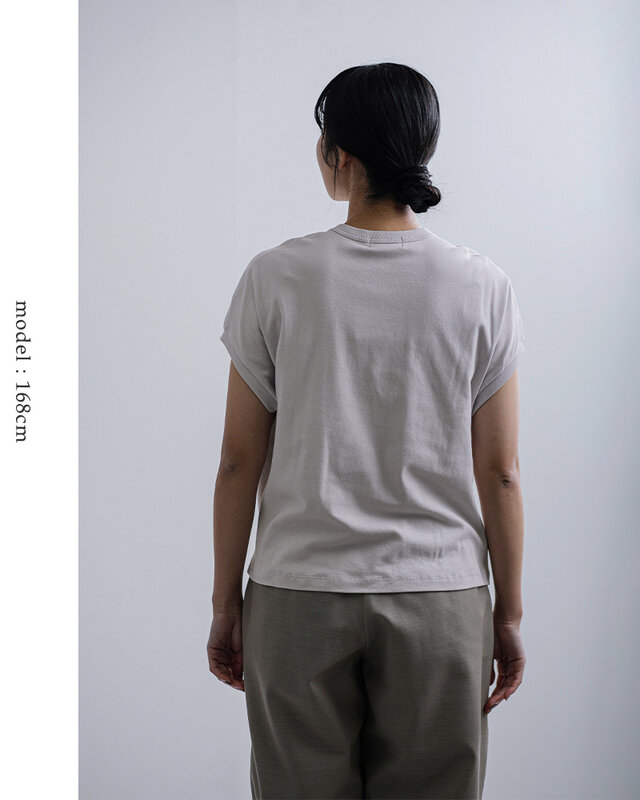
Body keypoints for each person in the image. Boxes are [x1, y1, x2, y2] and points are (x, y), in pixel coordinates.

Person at [207, 62, 526, 800]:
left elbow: (237, 462)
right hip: (441, 595)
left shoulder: (276, 277)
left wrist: (226, 606)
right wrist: (506, 615)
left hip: (297, 593)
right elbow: (502, 471)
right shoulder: (482, 286)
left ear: (340, 154)